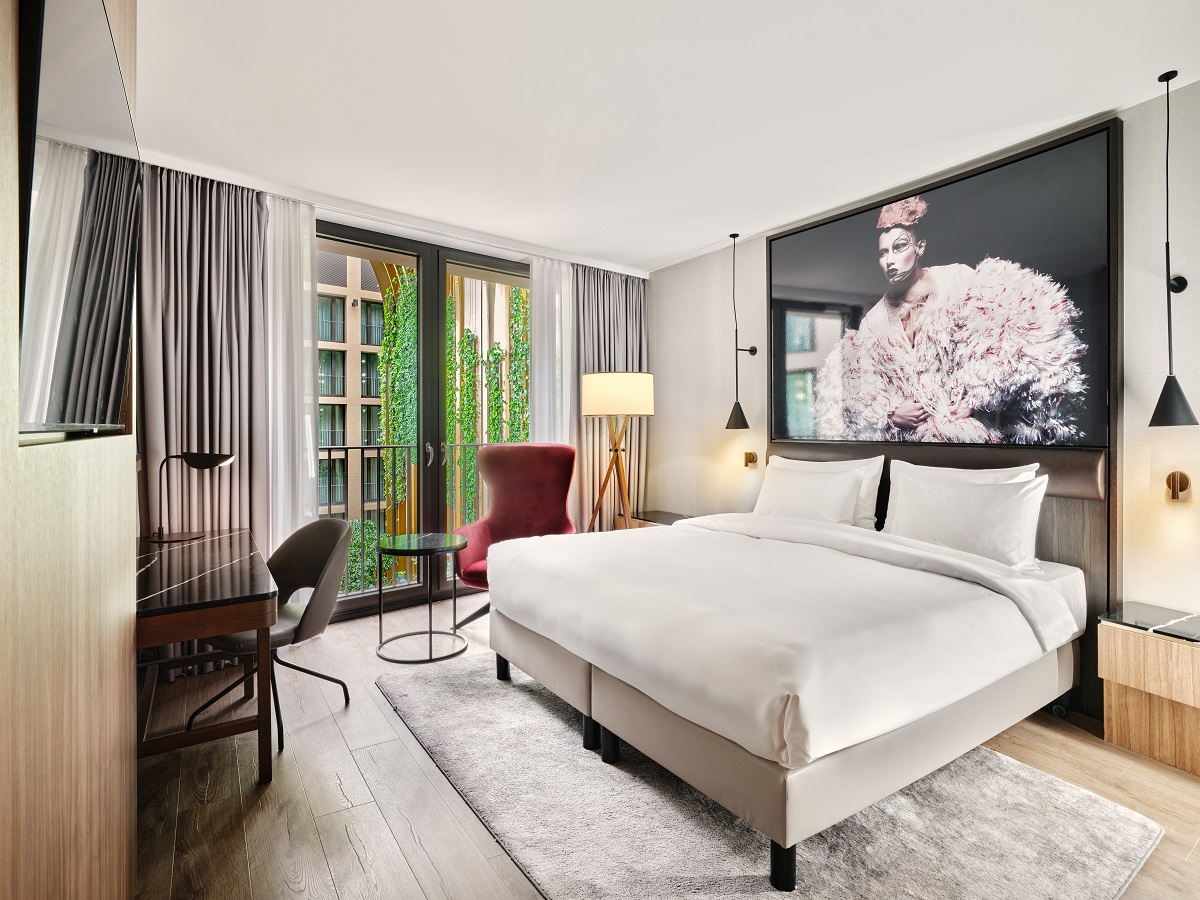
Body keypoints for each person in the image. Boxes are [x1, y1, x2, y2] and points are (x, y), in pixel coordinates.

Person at [813, 195, 1088, 443]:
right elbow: (861, 387)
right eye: (883, 253)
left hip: (971, 433)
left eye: (899, 247)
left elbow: (1007, 340)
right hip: (914, 443)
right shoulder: (874, 321)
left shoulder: (957, 279)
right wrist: (891, 413)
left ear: (919, 247)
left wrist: (978, 399)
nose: (890, 260)